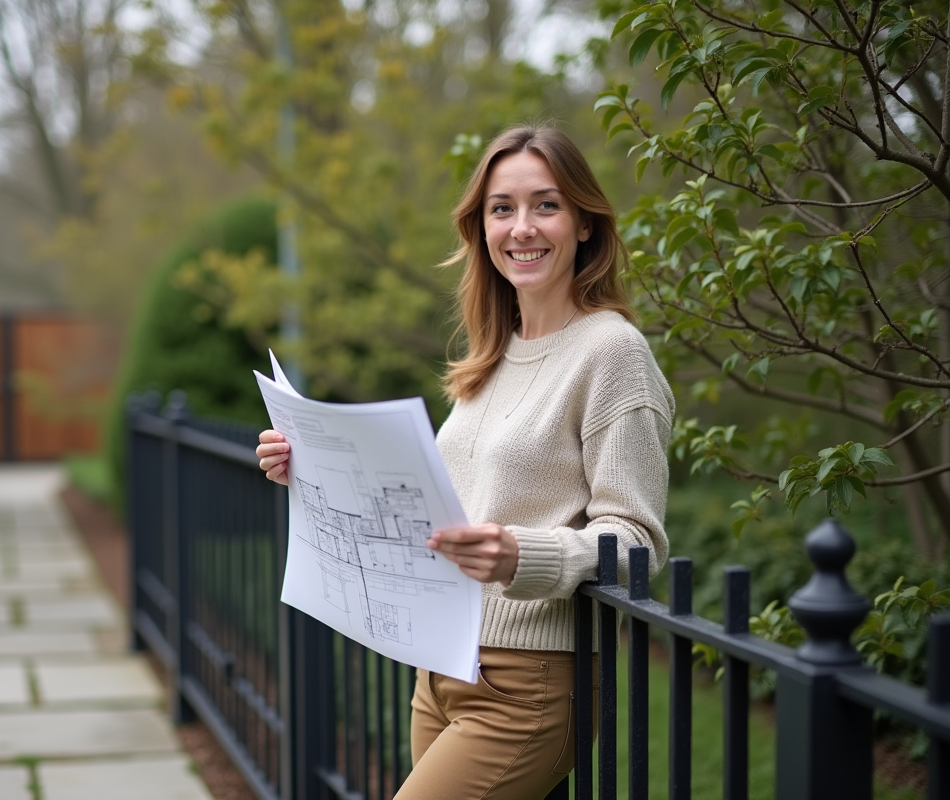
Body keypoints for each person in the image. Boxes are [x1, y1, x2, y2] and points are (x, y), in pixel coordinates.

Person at [256, 124, 674, 799]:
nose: (522, 227)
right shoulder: (492, 355)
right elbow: (438, 511)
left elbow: (638, 544)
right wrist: (310, 470)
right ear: (481, 228)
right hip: (441, 666)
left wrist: (522, 555)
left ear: (584, 223)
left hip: (530, 683)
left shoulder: (613, 354)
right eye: (502, 208)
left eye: (546, 205)